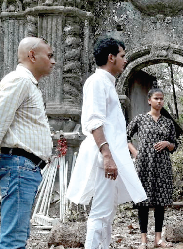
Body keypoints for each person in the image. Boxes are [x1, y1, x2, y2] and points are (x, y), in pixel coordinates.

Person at [0, 37, 55, 248]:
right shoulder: (20, 81)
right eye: (50, 55)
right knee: (13, 241)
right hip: (20, 167)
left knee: (19, 236)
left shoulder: (28, 84)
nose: (53, 61)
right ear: (32, 55)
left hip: (26, 168)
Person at [66, 37, 147, 249]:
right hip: (104, 157)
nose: (125, 60)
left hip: (111, 156)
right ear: (111, 57)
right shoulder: (97, 82)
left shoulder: (107, 83)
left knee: (108, 212)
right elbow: (94, 121)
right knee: (101, 212)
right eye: (122, 56)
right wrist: (107, 155)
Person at [127, 88, 176, 249]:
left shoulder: (168, 122)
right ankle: (143, 240)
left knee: (160, 202)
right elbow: (124, 136)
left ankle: (158, 239)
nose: (159, 101)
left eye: (161, 98)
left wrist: (168, 144)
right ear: (149, 100)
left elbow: (174, 145)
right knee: (143, 201)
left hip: (162, 166)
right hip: (143, 165)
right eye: (156, 98)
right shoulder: (140, 119)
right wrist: (135, 153)